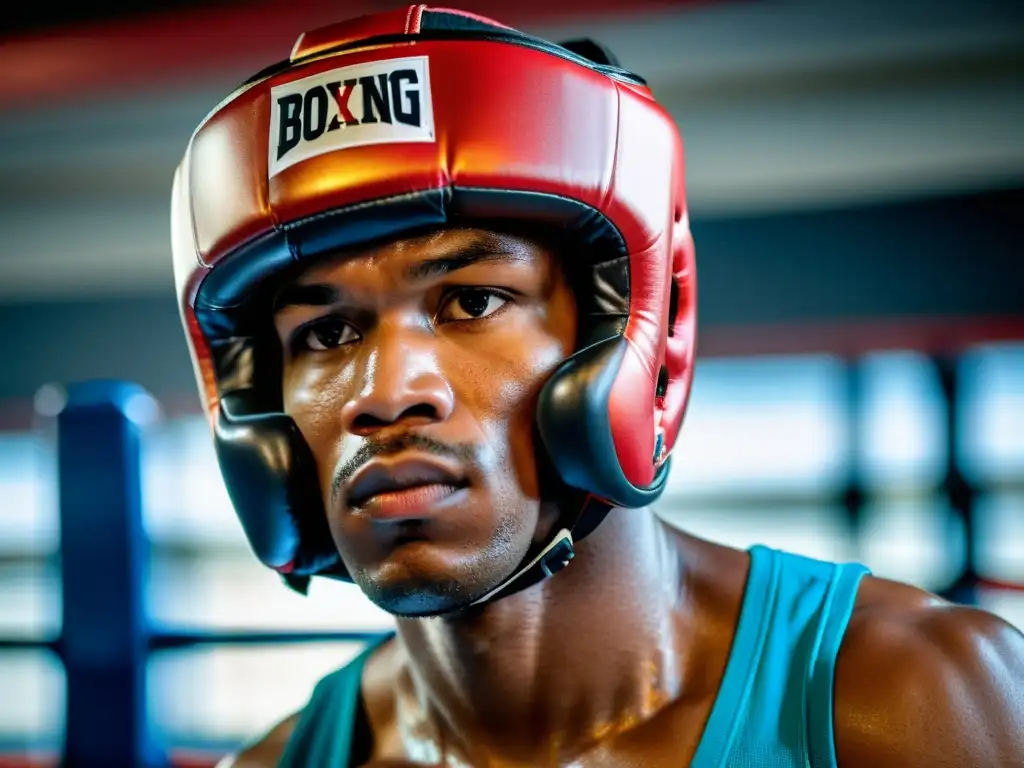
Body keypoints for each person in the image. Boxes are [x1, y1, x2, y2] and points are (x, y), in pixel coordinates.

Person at [170, 6, 1024, 767]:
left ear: (624, 336)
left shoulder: (914, 703)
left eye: (471, 301)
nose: (385, 393)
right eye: (327, 333)